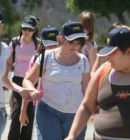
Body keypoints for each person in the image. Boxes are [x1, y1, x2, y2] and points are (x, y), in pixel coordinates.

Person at [64, 26, 130, 140]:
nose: (107, 56)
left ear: (129, 52)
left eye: (112, 52)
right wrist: (72, 135)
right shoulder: (104, 71)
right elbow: (86, 107)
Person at [22, 21, 90, 140]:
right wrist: (32, 90)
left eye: (78, 43)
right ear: (61, 38)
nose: (75, 46)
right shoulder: (47, 56)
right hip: (49, 111)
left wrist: (88, 111)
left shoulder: (83, 60)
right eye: (71, 42)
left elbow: (86, 90)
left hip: (76, 114)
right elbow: (27, 80)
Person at [0, 11, 40, 139]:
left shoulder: (38, 44)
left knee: (30, 113)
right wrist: (8, 71)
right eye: (24, 28)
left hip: (33, 82)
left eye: (30, 29)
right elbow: (5, 62)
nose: (26, 31)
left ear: (35, 29)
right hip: (17, 80)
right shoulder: (15, 42)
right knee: (17, 112)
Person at [19, 26, 59, 140]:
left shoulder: (65, 60)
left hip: (62, 107)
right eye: (49, 44)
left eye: (54, 44)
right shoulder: (37, 60)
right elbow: (27, 84)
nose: (52, 47)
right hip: (42, 107)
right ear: (42, 43)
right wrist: (23, 111)